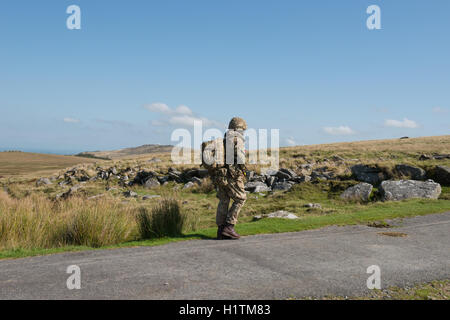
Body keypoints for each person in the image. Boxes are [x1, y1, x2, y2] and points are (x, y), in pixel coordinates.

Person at [214, 117, 248, 240]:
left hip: (220, 175)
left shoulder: (224, 139)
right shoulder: (237, 139)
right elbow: (240, 157)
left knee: (224, 200)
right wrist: (244, 170)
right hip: (233, 175)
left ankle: (221, 230)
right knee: (241, 199)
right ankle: (229, 227)